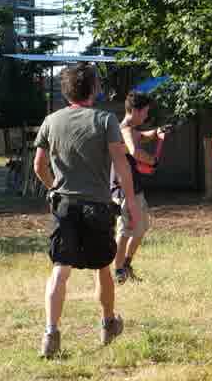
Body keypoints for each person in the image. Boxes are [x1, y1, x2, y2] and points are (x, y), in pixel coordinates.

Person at [31, 63, 138, 357]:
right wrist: (130, 204)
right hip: (98, 207)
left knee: (59, 271)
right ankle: (107, 324)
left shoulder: (51, 121)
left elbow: (38, 166)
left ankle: (51, 335)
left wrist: (54, 187)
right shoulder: (105, 120)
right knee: (102, 267)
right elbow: (121, 166)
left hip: (64, 206)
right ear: (93, 89)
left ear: (66, 90)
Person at [110, 90, 166, 284]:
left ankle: (126, 264)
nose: (146, 116)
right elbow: (134, 150)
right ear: (134, 110)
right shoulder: (123, 129)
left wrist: (157, 132)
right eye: (144, 112)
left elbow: (142, 136)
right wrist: (153, 161)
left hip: (135, 188)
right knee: (125, 232)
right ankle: (118, 271)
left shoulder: (132, 130)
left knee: (140, 228)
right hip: (123, 190)